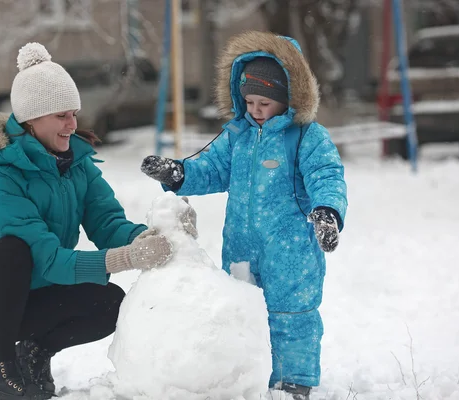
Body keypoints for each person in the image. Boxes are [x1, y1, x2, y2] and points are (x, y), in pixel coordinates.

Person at [0, 42, 195, 400]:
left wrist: (150, 238)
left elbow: (108, 223)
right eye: (62, 116)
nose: (72, 125)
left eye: (74, 113)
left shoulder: (77, 165)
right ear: (31, 120)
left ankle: (33, 353)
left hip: (33, 295)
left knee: (109, 302)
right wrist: (127, 259)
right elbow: (43, 257)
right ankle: (0, 370)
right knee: (14, 251)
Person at [141, 31, 348, 400]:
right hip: (240, 244)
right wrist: (178, 174)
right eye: (249, 100)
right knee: (240, 311)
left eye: (264, 102)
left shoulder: (305, 137)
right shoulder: (236, 135)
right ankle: (242, 376)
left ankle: (293, 380)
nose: (255, 109)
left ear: (287, 99)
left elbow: (326, 175)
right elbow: (209, 167)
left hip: (291, 249)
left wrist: (327, 212)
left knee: (291, 313)